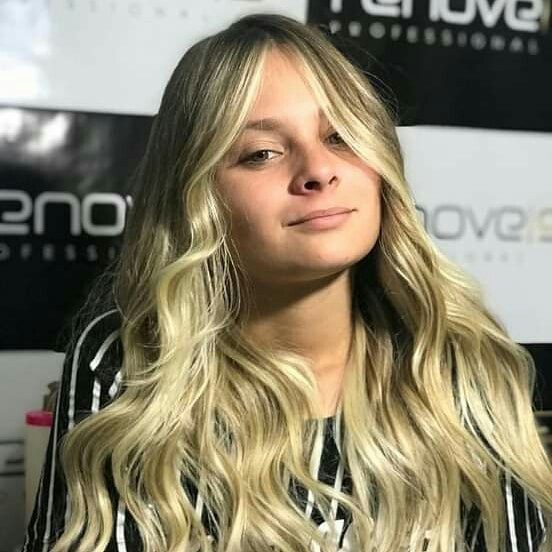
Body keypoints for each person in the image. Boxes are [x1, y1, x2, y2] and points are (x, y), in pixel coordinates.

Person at [23, 12, 551, 552]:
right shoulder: (128, 363)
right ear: (197, 197)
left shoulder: (461, 360)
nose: (318, 170)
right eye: (262, 154)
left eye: (341, 136)